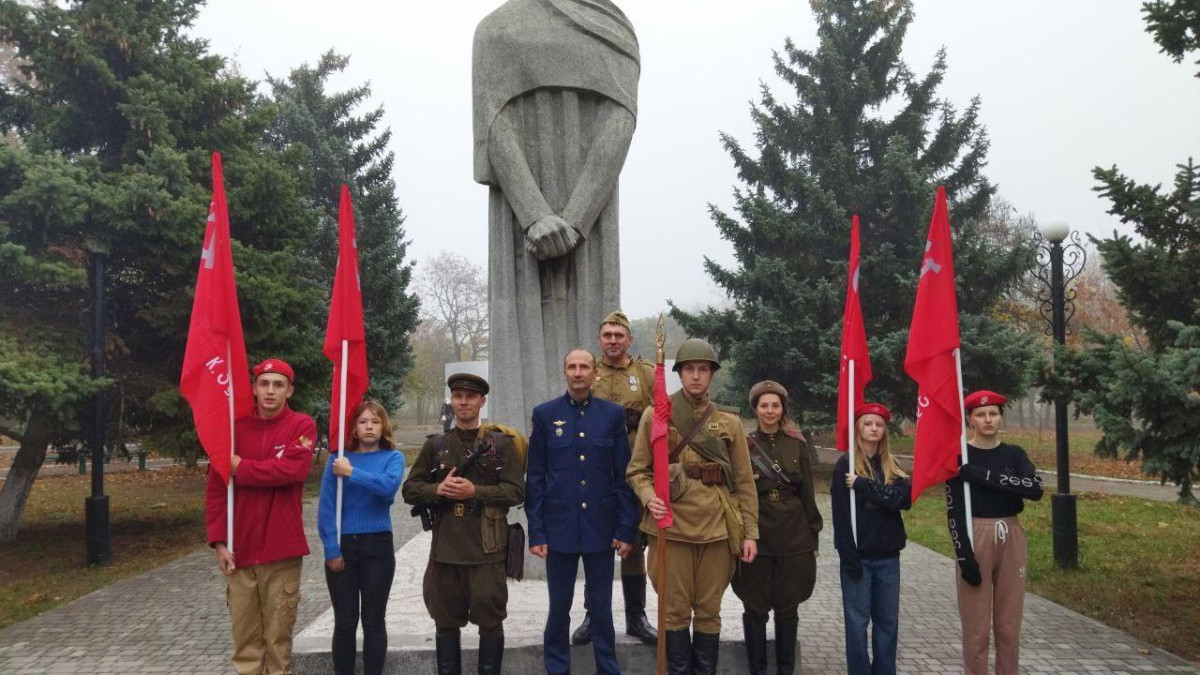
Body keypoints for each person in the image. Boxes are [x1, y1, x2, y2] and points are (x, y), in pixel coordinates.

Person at [472, 0, 640, 427]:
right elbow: (492, 125)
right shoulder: (495, 30)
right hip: (517, 219)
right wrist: (533, 214)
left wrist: (577, 219)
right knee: (519, 339)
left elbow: (621, 120)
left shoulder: (612, 27)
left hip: (593, 221)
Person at [627, 338, 759, 675]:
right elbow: (637, 470)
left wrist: (750, 533)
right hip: (671, 527)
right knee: (673, 611)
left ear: (712, 374)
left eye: (703, 369)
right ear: (680, 373)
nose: (696, 376)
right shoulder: (656, 415)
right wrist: (648, 497)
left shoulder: (728, 421)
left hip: (716, 527)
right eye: (689, 369)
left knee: (709, 611)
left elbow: (744, 482)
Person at [401, 374, 526, 675]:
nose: (464, 402)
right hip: (445, 551)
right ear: (452, 401)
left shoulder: (501, 445)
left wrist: (475, 492)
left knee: (491, 620)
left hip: (487, 550)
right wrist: (437, 489)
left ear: (482, 401)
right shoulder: (437, 445)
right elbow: (410, 489)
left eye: (470, 397)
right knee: (444, 621)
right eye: (458, 396)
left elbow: (516, 492)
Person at [527, 349, 640, 674]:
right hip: (559, 526)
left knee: (602, 608)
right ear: (564, 372)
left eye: (584, 367)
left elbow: (622, 475)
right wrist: (537, 532)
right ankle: (557, 668)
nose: (578, 373)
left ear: (594, 373)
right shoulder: (545, 414)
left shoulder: (612, 415)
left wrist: (625, 528)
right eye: (572, 367)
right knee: (559, 607)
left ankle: (607, 668)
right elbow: (536, 477)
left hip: (600, 527)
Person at [205, 358, 316, 675]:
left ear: (289, 391)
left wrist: (241, 468)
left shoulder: (301, 426)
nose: (270, 391)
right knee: (246, 646)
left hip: (281, 552)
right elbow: (216, 490)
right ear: (253, 388)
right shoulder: (234, 430)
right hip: (239, 552)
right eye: (264, 384)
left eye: (278, 385)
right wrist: (219, 542)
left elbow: (292, 471)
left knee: (278, 645)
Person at [572, 310, 657, 646]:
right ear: (599, 339)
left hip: (633, 472)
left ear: (629, 340)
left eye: (619, 335)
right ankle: (593, 615)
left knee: (632, 544)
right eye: (607, 335)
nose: (612, 341)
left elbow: (660, 418)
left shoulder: (645, 373)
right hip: (595, 472)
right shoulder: (589, 371)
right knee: (595, 544)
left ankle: (636, 616)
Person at [949, 390, 1044, 675]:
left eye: (993, 414)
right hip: (975, 534)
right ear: (970, 419)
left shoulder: (1014, 454)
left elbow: (1035, 489)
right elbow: (953, 511)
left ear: (1001, 417)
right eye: (981, 414)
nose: (988, 419)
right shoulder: (960, 456)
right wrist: (963, 555)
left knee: (1008, 625)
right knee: (976, 628)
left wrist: (982, 475)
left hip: (1010, 534)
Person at [732, 380, 821, 675]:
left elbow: (807, 493)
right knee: (754, 607)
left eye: (775, 405)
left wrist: (813, 538)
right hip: (757, 532)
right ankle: (757, 670)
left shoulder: (797, 444)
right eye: (764, 405)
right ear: (755, 409)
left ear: (783, 409)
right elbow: (737, 492)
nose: (770, 411)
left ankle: (786, 670)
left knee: (788, 606)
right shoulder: (744, 446)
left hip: (793, 535)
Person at [317, 400, 406, 675]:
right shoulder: (337, 459)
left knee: (373, 621)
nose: (369, 427)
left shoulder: (393, 458)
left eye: (375, 422)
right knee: (345, 622)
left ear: (383, 426)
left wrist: (352, 473)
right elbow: (326, 507)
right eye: (363, 421)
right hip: (344, 546)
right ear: (354, 427)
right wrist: (331, 549)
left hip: (377, 545)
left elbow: (387, 488)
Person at [831, 403, 911, 675]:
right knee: (856, 624)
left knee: (887, 623)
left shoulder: (893, 466)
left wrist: (863, 484)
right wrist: (848, 557)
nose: (874, 428)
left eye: (879, 424)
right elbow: (841, 517)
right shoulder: (846, 465)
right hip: (858, 559)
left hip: (888, 559)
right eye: (868, 423)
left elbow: (901, 500)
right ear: (858, 428)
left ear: (885, 430)